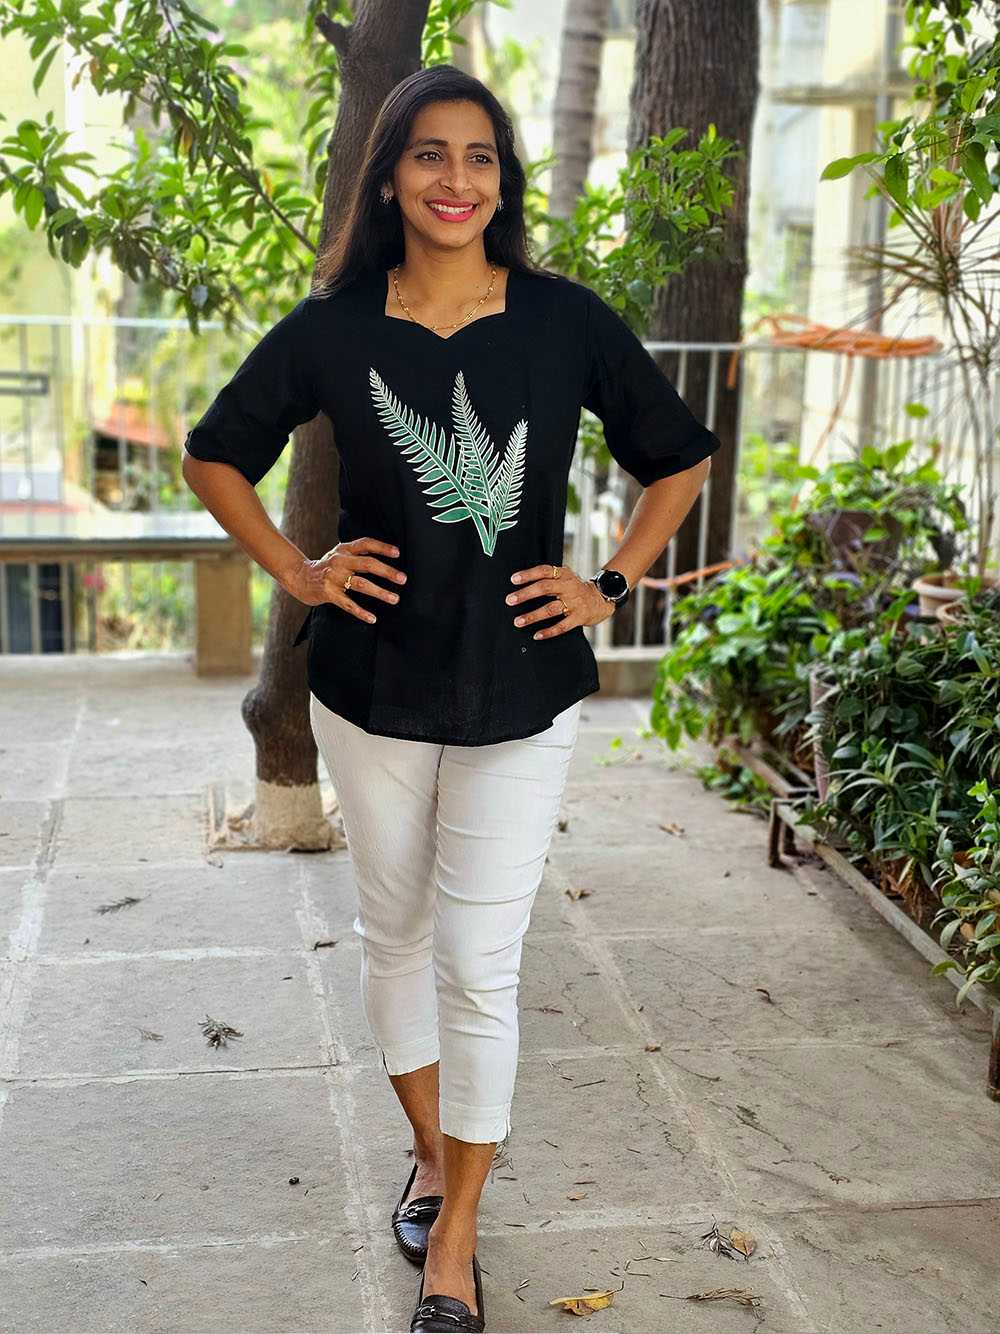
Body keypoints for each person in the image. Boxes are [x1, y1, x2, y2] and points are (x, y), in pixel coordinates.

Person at [182, 63, 720, 1334]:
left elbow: (678, 456)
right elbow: (214, 453)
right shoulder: (333, 327)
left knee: (479, 962)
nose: (455, 179)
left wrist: (610, 580)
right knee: (395, 936)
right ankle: (431, 1152)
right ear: (388, 176)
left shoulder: (562, 319)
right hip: (369, 684)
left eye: (479, 156)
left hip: (521, 684)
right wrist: (300, 570)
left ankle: (458, 1235)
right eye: (429, 153)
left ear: (503, 180)